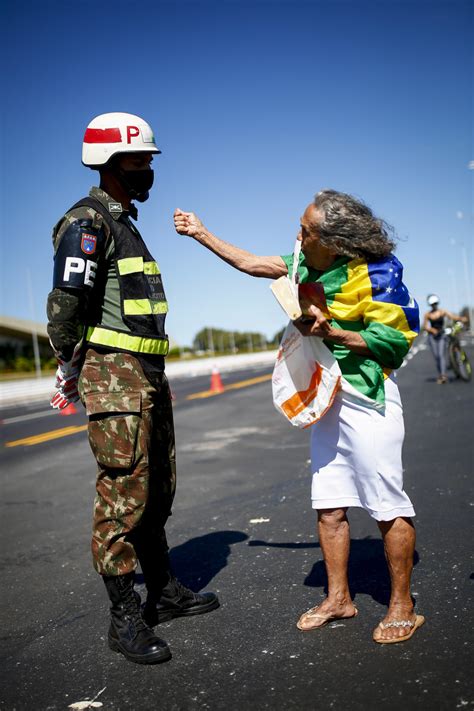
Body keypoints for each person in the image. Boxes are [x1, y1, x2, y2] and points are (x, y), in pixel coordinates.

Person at [174, 189, 424, 644]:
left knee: (387, 506)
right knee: (329, 508)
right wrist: (200, 233)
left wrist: (335, 333)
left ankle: (402, 605)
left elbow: (395, 342)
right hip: (326, 400)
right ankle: (338, 599)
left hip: (368, 398)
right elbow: (251, 264)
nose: (298, 235)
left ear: (336, 240)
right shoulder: (304, 263)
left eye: (306, 230)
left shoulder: (378, 273)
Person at [46, 112, 218, 665]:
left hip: (147, 375)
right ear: (111, 163)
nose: (148, 169)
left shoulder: (125, 222)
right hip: (115, 376)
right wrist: (77, 363)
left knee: (157, 485)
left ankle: (163, 592)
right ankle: (124, 618)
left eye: (148, 159)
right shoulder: (88, 222)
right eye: (140, 159)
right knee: (122, 493)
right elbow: (65, 309)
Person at [423, 294, 467, 384]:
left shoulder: (442, 312)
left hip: (441, 335)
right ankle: (440, 374)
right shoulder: (427, 314)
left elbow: (453, 317)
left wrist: (461, 318)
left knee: (441, 355)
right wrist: (432, 330)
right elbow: (425, 326)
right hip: (432, 337)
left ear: (437, 303)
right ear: (430, 305)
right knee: (437, 357)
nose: (434, 305)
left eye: (435, 303)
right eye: (432, 304)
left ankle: (443, 376)